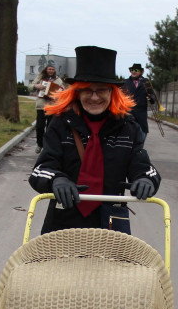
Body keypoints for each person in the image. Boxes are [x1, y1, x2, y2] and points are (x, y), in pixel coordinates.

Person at [30, 46, 161, 235]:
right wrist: (57, 180)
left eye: (101, 91)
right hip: (64, 221)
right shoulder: (60, 125)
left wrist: (146, 179)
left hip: (111, 223)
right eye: (87, 91)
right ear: (76, 93)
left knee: (113, 266)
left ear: (112, 93)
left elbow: (142, 165)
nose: (94, 97)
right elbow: (41, 170)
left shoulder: (128, 128)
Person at [29, 63, 67, 153]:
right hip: (41, 106)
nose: (51, 71)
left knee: (50, 127)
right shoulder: (40, 77)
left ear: (54, 71)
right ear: (46, 69)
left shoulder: (58, 80)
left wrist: (58, 93)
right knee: (39, 127)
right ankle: (39, 144)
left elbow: (63, 90)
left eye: (52, 69)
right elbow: (30, 87)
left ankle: (47, 145)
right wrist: (36, 86)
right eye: (49, 69)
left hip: (52, 107)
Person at [122, 63, 157, 138]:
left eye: (136, 70)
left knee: (141, 136)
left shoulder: (146, 82)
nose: (133, 72)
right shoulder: (125, 82)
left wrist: (151, 98)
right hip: (128, 113)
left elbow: (153, 97)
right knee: (128, 136)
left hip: (141, 115)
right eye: (132, 70)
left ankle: (139, 149)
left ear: (141, 72)